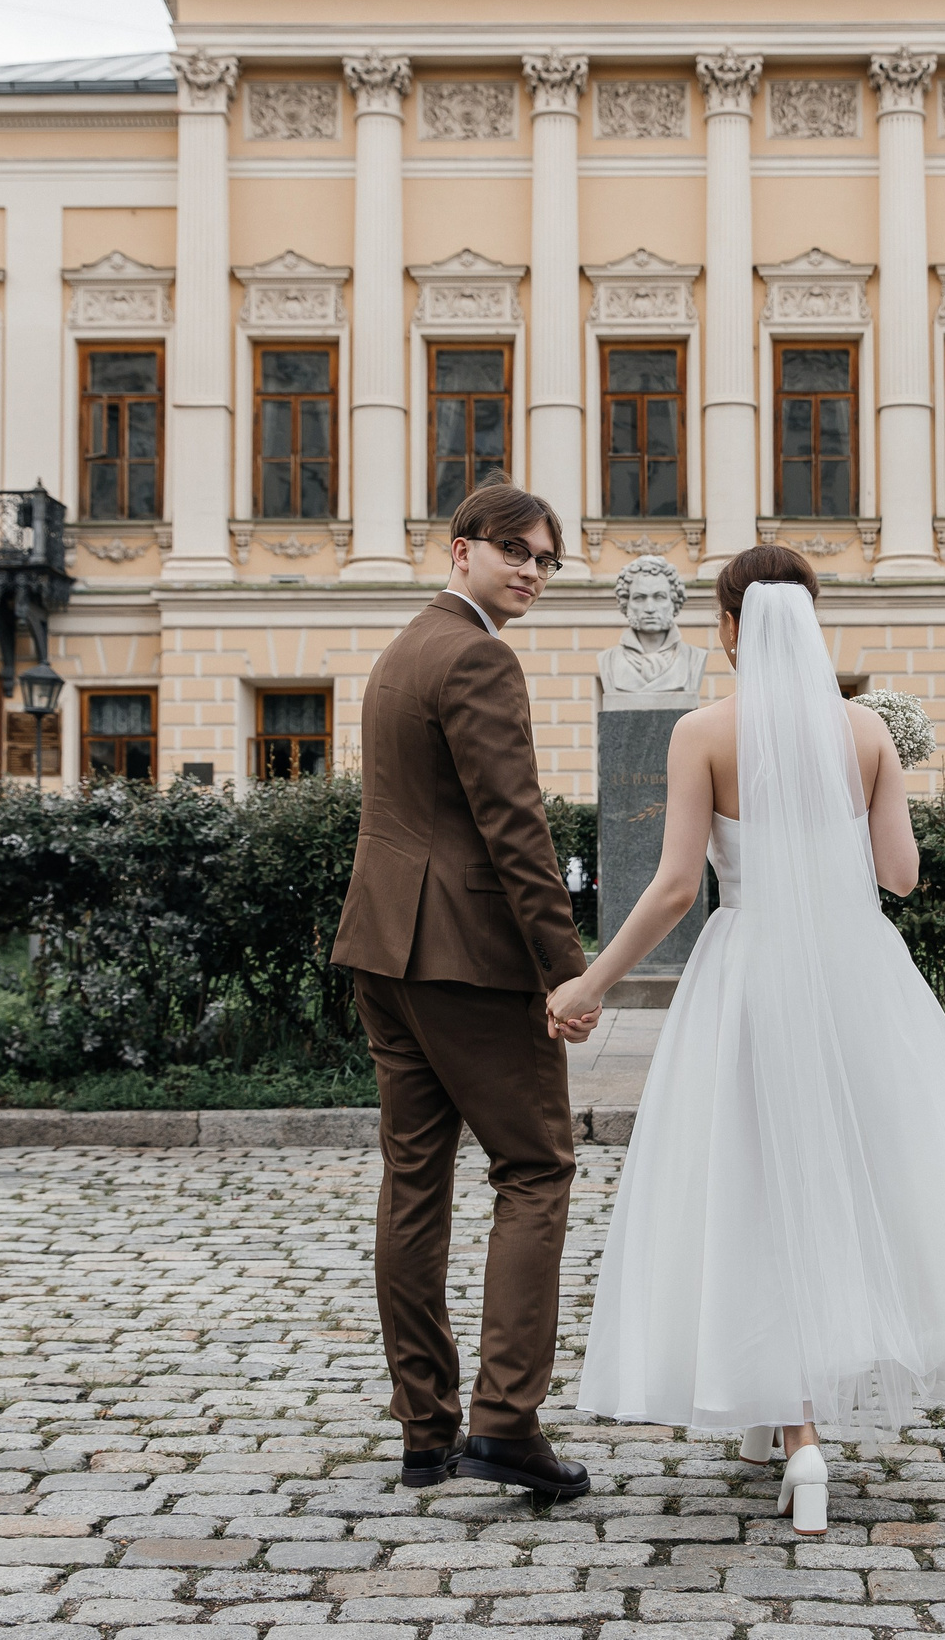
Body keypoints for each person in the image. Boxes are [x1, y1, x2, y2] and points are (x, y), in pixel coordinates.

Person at [548, 545, 945, 1534]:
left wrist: (590, 979)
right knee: (854, 1177)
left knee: (754, 1182)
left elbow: (673, 888)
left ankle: (796, 1433)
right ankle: (796, 1426)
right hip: (852, 971)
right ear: (813, 618)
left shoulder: (702, 731)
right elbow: (900, 876)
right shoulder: (866, 729)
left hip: (748, 968)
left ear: (727, 625)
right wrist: (882, 784)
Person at [330, 481, 603, 1502]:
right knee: (535, 1167)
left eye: (546, 558)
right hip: (466, 957)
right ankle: (503, 1423)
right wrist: (564, 969)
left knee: (414, 1181)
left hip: (383, 953)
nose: (532, 570)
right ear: (462, 550)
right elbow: (514, 828)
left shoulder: (406, 646)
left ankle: (423, 1431)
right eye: (516, 551)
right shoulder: (480, 654)